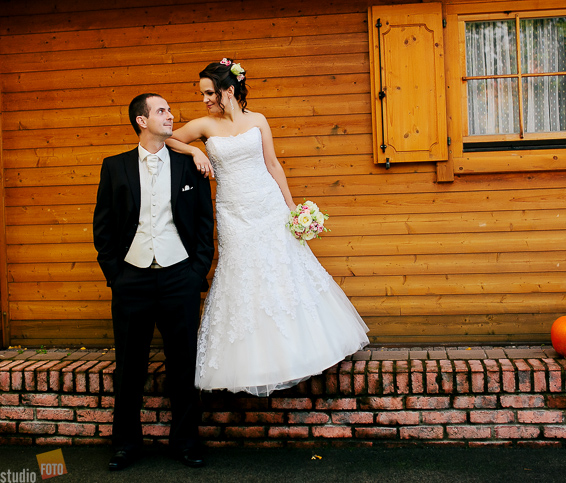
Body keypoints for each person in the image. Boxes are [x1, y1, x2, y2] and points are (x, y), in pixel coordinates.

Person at [166, 58, 369, 396]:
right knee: (242, 275)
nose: (204, 99)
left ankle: (299, 351)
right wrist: (194, 151)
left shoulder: (258, 120)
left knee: (283, 270)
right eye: (202, 94)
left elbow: (272, 164)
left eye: (209, 93)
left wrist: (291, 208)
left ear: (228, 91)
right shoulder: (203, 125)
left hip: (268, 205)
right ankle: (253, 362)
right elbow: (167, 138)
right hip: (233, 212)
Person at [93, 93, 215, 470]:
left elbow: (204, 224)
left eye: (169, 110)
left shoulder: (189, 165)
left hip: (180, 277)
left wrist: (196, 271)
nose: (170, 115)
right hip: (132, 279)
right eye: (161, 110)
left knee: (183, 364)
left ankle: (186, 442)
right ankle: (126, 444)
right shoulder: (114, 167)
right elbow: (103, 227)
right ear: (142, 121)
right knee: (130, 367)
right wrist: (116, 275)